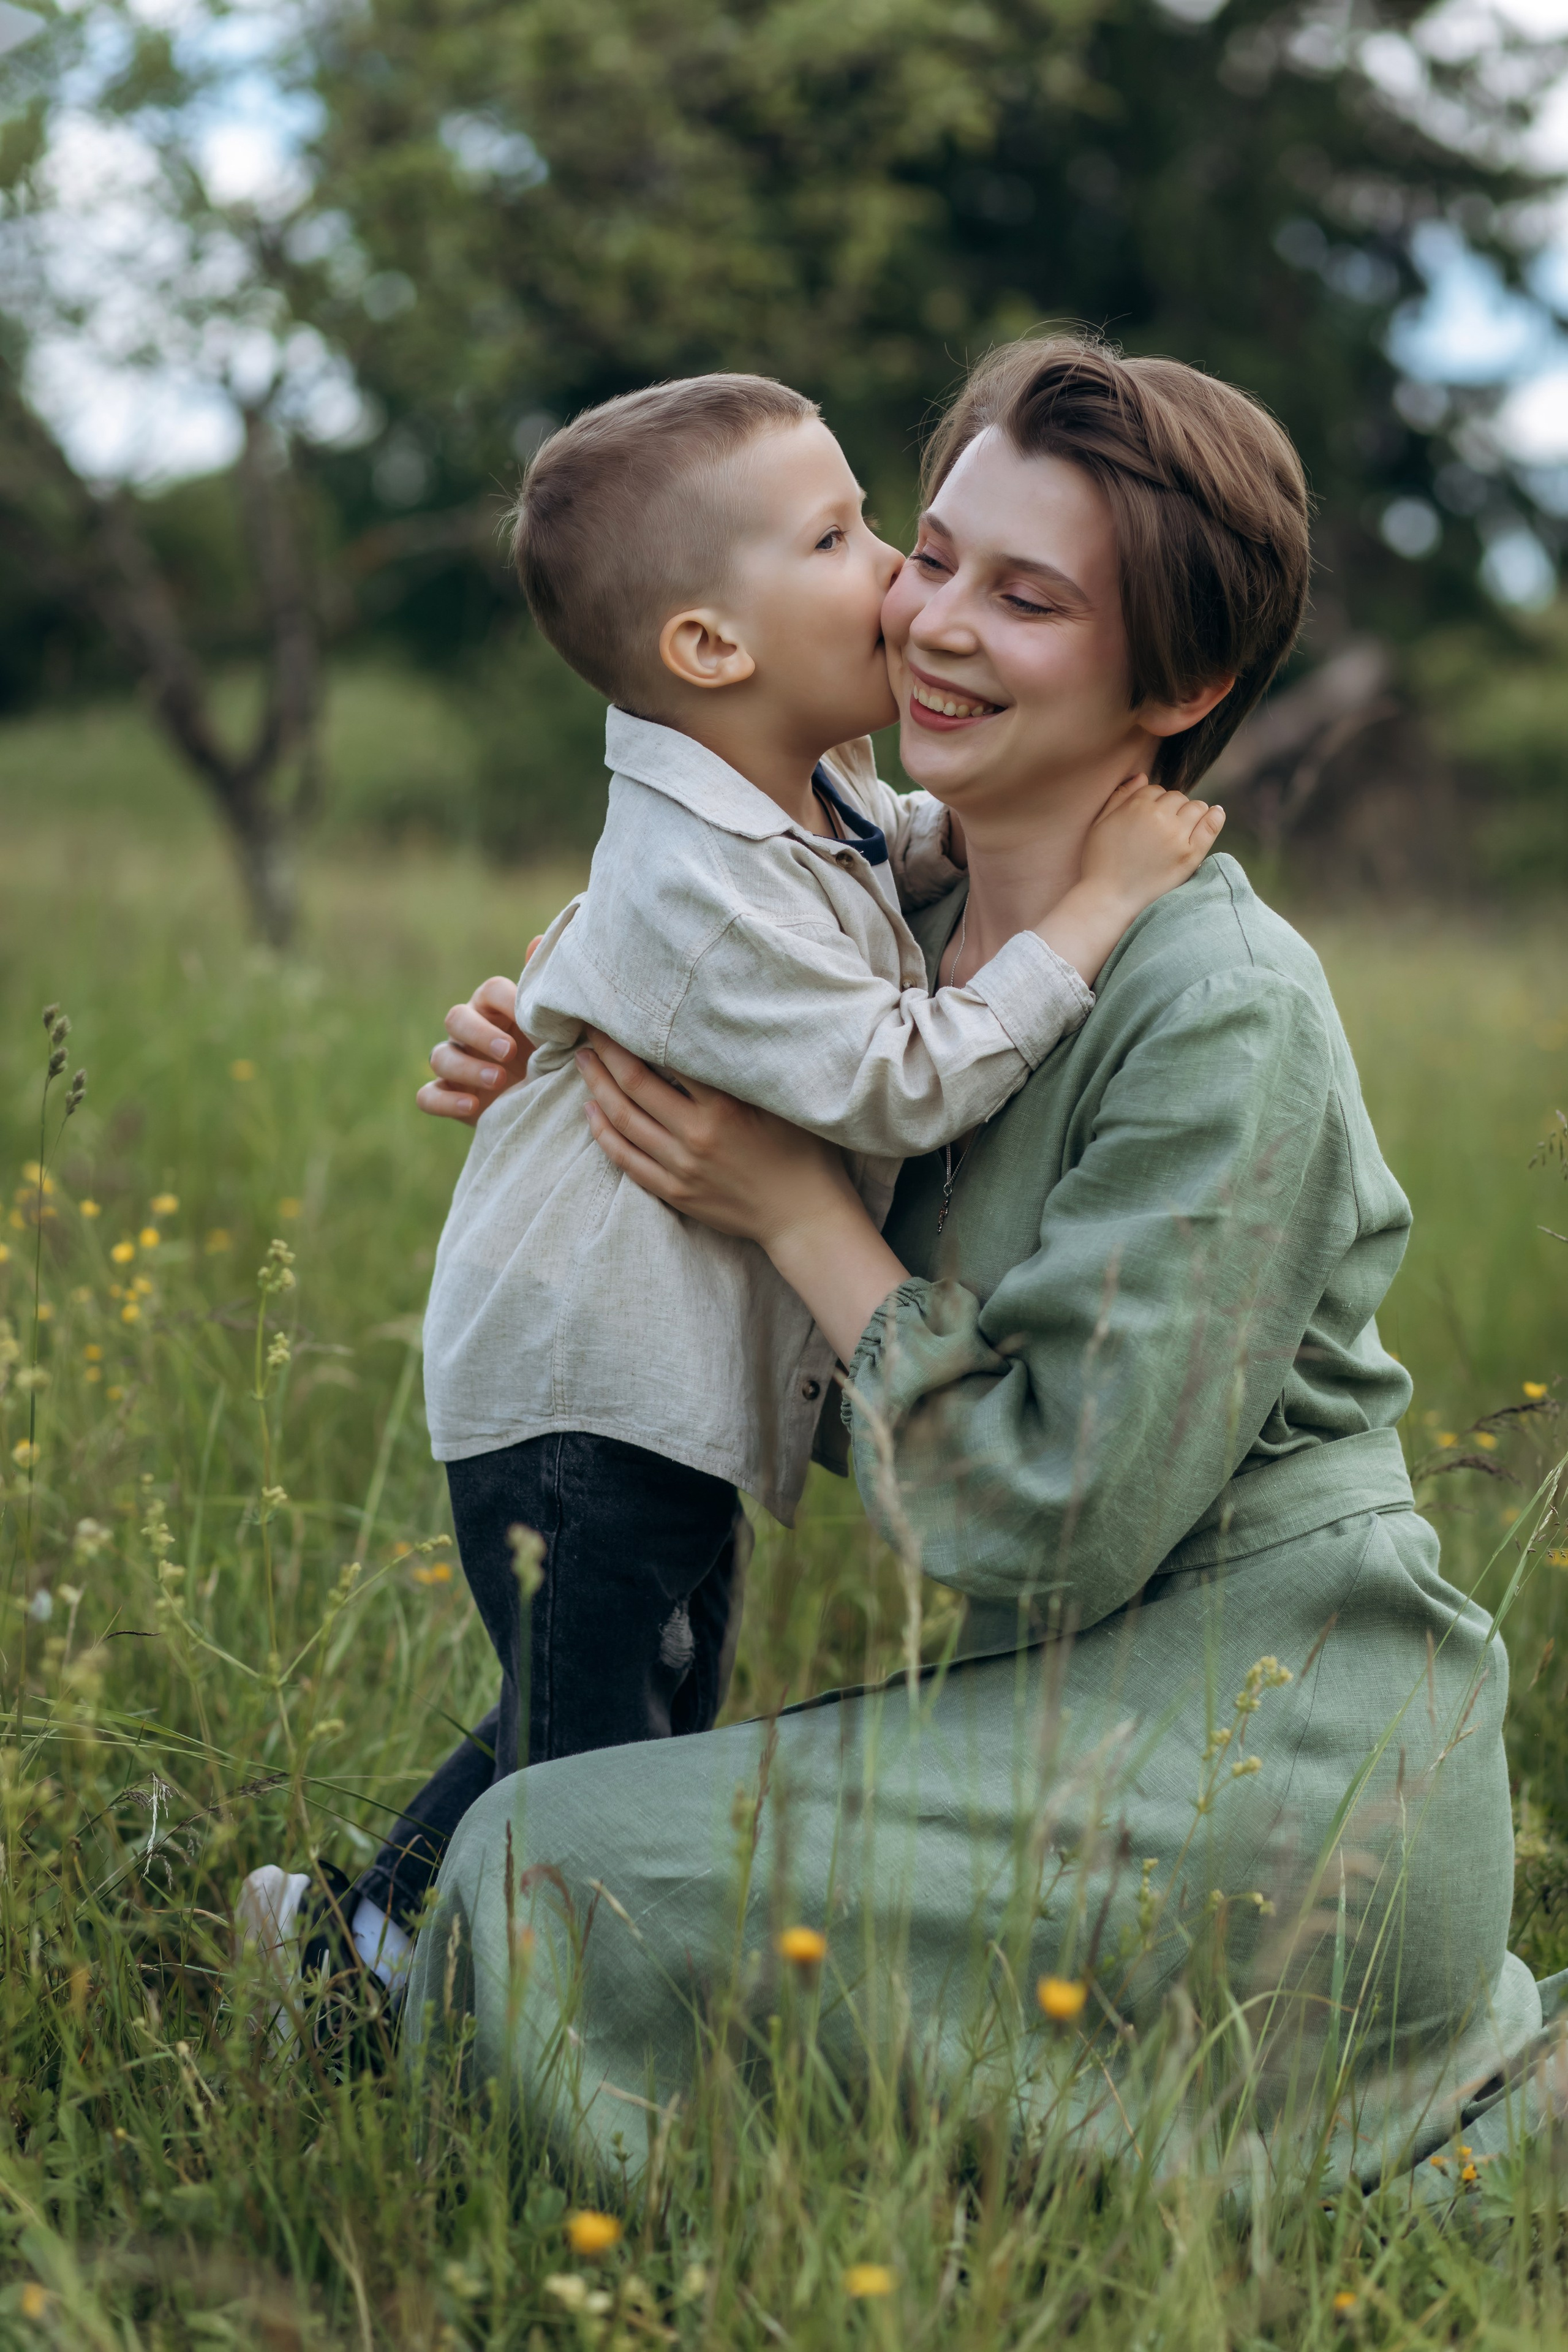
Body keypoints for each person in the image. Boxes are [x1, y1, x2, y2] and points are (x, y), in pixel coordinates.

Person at [403, 335, 1553, 2187]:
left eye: (1026, 597)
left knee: (542, 1865)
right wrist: (551, 1035)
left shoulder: (1222, 1009)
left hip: (1284, 1779)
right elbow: (709, 954)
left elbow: (1042, 1515)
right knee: (569, 1825)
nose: (932, 621)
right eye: (927, 553)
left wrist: (797, 1214)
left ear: (1177, 680)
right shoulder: (886, 919)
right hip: (1072, 1712)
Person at [239, 369, 1220, 2011]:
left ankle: (369, 1948)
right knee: (602, 1759)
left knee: (635, 1706)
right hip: (585, 1400)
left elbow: (902, 852)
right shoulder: (701, 876)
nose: (901, 570)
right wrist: (1091, 913)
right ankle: (417, 1997)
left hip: (650, 1393)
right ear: (711, 649)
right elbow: (904, 1070)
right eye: (844, 537)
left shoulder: (789, 781)